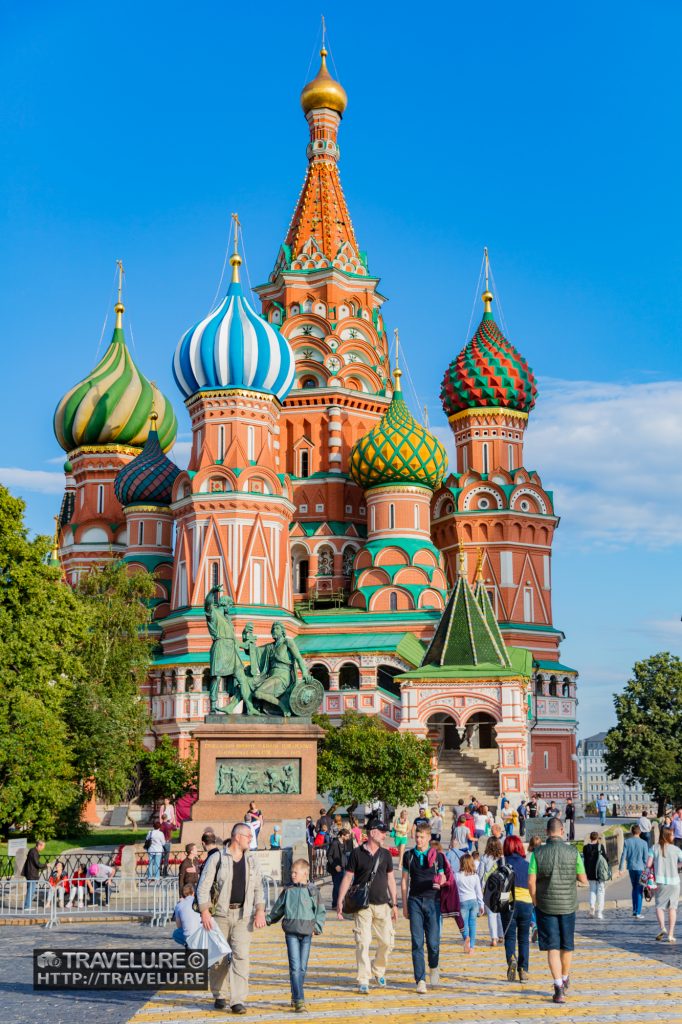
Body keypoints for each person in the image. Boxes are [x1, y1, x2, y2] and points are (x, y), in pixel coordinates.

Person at [197, 821, 266, 1014]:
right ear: (237, 837)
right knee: (219, 957)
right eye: (248, 837)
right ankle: (219, 994)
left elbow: (259, 887)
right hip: (220, 915)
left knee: (241, 956)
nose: (251, 840)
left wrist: (260, 909)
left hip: (244, 915)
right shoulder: (217, 858)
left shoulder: (252, 860)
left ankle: (238, 1000)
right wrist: (204, 911)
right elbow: (203, 886)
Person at [527, 816, 587, 1004]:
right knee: (567, 945)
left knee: (552, 947)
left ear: (547, 832)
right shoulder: (573, 852)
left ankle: (558, 987)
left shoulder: (537, 853)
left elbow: (530, 881)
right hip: (568, 905)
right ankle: (565, 976)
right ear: (562, 832)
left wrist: (535, 900)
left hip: (545, 906)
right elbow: (583, 878)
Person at [336, 817, 398, 994]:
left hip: (382, 905)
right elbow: (348, 877)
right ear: (372, 832)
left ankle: (377, 969)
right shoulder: (356, 853)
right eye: (382, 831)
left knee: (387, 942)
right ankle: (364, 978)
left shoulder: (385, 854)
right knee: (363, 942)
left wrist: (394, 903)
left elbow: (391, 879)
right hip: (363, 906)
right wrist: (340, 900)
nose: (385, 835)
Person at [267, 857, 325, 1012]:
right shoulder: (288, 890)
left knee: (302, 968)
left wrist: (317, 927)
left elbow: (320, 911)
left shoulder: (313, 891)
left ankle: (295, 994)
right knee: (295, 967)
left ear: (305, 873)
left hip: (307, 934)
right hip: (291, 933)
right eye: (291, 872)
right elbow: (278, 909)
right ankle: (299, 1000)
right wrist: (267, 919)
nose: (292, 875)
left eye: (295, 872)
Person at [401, 824, 446, 993]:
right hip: (415, 901)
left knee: (433, 943)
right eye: (417, 837)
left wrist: (441, 880)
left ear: (428, 838)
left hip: (433, 901)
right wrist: (404, 905)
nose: (418, 840)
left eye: (422, 837)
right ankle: (420, 979)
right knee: (417, 942)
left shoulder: (438, 857)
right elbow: (404, 881)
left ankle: (433, 967)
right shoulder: (409, 856)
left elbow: (444, 875)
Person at [500, 834, 533, 983]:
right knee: (524, 938)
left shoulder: (502, 863)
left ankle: (511, 958)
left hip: (508, 903)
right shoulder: (527, 865)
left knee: (510, 936)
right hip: (526, 903)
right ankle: (523, 970)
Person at [647, 826, 682, 943]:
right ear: (667, 836)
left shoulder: (654, 848)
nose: (673, 836)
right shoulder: (676, 849)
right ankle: (671, 935)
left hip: (660, 881)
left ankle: (662, 927)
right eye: (672, 834)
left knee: (659, 906)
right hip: (674, 882)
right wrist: (676, 866)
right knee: (673, 908)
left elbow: (648, 864)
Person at [454, 853, 484, 953]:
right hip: (474, 901)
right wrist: (481, 904)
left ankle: (466, 937)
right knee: (473, 924)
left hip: (462, 901)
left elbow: (454, 891)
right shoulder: (475, 876)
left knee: (464, 924)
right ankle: (472, 947)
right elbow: (479, 891)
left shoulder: (457, 875)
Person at [619, 824, 649, 917]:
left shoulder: (627, 841)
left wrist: (620, 868)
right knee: (639, 889)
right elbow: (645, 858)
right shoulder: (644, 843)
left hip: (631, 868)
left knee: (634, 888)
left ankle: (634, 910)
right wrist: (647, 870)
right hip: (641, 868)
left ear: (632, 832)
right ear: (640, 832)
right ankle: (638, 912)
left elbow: (623, 855)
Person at [478, 837, 503, 946]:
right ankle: (501, 935)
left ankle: (494, 938)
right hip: (501, 888)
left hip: (489, 888)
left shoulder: (484, 857)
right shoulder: (502, 858)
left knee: (491, 915)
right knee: (500, 913)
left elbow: (480, 874)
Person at [583, 832, 608, 920]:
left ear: (590, 838)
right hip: (600, 872)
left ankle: (592, 906)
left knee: (592, 890)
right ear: (597, 838)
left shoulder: (586, 847)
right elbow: (605, 859)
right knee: (601, 891)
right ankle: (600, 912)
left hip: (590, 872)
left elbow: (585, 860)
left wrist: (586, 871)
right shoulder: (600, 846)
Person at [327, 828, 352, 909]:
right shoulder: (334, 843)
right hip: (336, 868)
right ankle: (335, 904)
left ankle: (341, 903)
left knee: (343, 886)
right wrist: (335, 866)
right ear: (342, 835)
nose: (348, 838)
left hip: (343, 867)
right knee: (337, 886)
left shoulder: (344, 842)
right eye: (347, 836)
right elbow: (329, 856)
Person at [22, 840, 48, 910]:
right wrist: (46, 865)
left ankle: (28, 905)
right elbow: (37, 863)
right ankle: (27, 906)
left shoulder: (33, 851)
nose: (43, 848)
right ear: (39, 845)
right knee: (31, 890)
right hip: (31, 874)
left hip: (31, 873)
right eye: (43, 846)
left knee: (32, 890)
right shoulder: (34, 852)